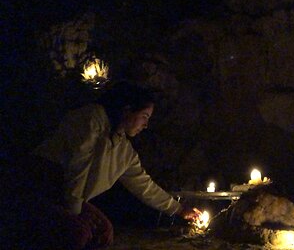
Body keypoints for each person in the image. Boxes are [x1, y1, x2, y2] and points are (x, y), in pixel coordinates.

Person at [28, 81, 200, 249]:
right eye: (144, 117)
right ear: (127, 110)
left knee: (104, 231)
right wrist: (75, 214)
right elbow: (77, 169)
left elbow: (144, 186)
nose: (146, 125)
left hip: (72, 197)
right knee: (78, 233)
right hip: (44, 189)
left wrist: (179, 209)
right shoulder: (92, 119)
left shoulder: (123, 149)